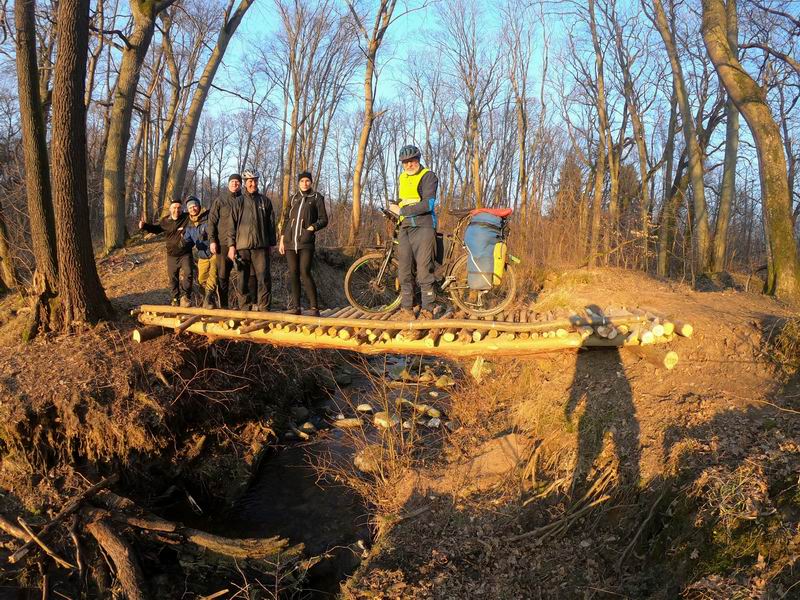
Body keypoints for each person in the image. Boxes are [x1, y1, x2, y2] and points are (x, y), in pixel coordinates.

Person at [393, 144, 439, 320]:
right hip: (405, 227)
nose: (408, 165)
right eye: (405, 163)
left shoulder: (428, 176)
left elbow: (428, 204)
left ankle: (428, 309)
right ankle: (407, 309)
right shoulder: (403, 177)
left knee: (423, 270)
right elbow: (404, 200)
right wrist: (395, 206)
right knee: (404, 270)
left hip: (423, 226)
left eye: (411, 161)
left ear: (418, 160)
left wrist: (402, 211)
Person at [223, 169, 276, 311]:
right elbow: (231, 226)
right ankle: (245, 307)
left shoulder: (265, 201)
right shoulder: (238, 202)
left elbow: (271, 225)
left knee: (264, 278)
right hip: (242, 247)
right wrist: (231, 246)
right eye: (250, 181)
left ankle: (264, 307)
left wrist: (272, 243)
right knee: (242, 279)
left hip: (261, 246)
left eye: (255, 181)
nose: (253, 184)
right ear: (245, 183)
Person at [279, 171, 328, 316]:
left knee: (304, 271)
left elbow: (324, 219)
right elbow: (286, 220)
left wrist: (312, 228)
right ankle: (296, 307)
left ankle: (314, 308)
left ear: (311, 182)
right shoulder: (293, 198)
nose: (305, 183)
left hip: (305, 241)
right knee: (293, 273)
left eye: (307, 181)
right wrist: (282, 240)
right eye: (302, 181)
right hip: (289, 242)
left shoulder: (316, 197)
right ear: (298, 183)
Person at [139, 198, 192, 307]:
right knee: (173, 278)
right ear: (170, 209)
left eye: (179, 208)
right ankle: (175, 299)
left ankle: (185, 296)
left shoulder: (186, 217)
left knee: (189, 273)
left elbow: (197, 215)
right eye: (174, 208)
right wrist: (145, 226)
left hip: (185, 253)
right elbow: (157, 229)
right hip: (171, 255)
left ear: (182, 209)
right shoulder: (165, 221)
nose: (176, 210)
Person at [208, 173, 242, 308]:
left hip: (241, 243)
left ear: (241, 184)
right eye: (232, 181)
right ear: (228, 184)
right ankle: (224, 306)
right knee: (222, 276)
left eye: (237, 182)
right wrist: (212, 240)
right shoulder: (220, 200)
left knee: (244, 276)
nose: (235, 184)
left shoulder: (245, 200)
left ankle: (244, 305)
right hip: (222, 243)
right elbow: (211, 222)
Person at [182, 196, 216, 308]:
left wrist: (210, 239)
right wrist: (181, 243)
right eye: (190, 207)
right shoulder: (189, 224)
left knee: (213, 276)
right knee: (202, 279)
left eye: (195, 206)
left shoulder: (208, 216)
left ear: (199, 206)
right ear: (188, 209)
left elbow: (213, 230)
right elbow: (187, 241)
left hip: (214, 251)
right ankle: (209, 300)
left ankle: (208, 299)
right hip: (202, 255)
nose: (193, 209)